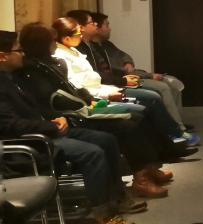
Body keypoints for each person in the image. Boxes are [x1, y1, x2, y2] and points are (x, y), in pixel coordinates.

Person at [0, 31, 138, 224]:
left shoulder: (15, 76)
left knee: (106, 140)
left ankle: (116, 198)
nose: (22, 53)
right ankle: (103, 216)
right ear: (3, 56)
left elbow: (37, 107)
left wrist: (56, 118)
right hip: (30, 142)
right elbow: (10, 126)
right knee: (92, 154)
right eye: (18, 50)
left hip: (46, 129)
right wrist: (51, 126)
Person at [16, 23, 172, 198]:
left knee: (138, 116)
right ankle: (141, 179)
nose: (55, 44)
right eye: (52, 41)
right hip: (70, 116)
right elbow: (56, 99)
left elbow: (71, 89)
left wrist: (89, 99)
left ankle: (148, 169)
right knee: (127, 125)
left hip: (80, 106)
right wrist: (89, 100)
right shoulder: (32, 71)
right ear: (43, 44)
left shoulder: (49, 63)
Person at [53, 17, 194, 147]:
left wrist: (125, 72)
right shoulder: (63, 57)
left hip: (108, 86)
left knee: (154, 94)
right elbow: (80, 86)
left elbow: (113, 64)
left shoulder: (82, 48)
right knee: (151, 98)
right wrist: (116, 87)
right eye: (78, 32)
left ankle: (173, 136)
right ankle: (172, 138)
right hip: (99, 94)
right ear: (66, 38)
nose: (81, 34)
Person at [89, 11, 190, 133]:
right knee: (163, 87)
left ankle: (177, 122)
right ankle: (177, 128)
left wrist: (128, 62)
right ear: (98, 28)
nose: (110, 28)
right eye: (107, 25)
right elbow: (120, 73)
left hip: (132, 76)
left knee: (174, 83)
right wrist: (149, 75)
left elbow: (124, 55)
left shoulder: (106, 45)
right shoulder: (94, 50)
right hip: (123, 81)